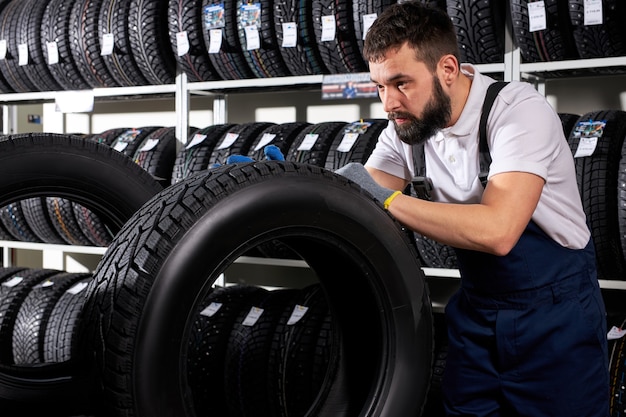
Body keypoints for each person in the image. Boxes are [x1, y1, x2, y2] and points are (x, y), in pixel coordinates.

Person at [335, 2, 610, 416]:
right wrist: (280, 181)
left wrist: (388, 199)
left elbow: (499, 231)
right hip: (477, 317)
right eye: (379, 86)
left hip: (555, 323)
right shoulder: (407, 128)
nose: (388, 103)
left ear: (447, 69)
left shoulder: (517, 110)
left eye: (401, 83)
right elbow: (355, 201)